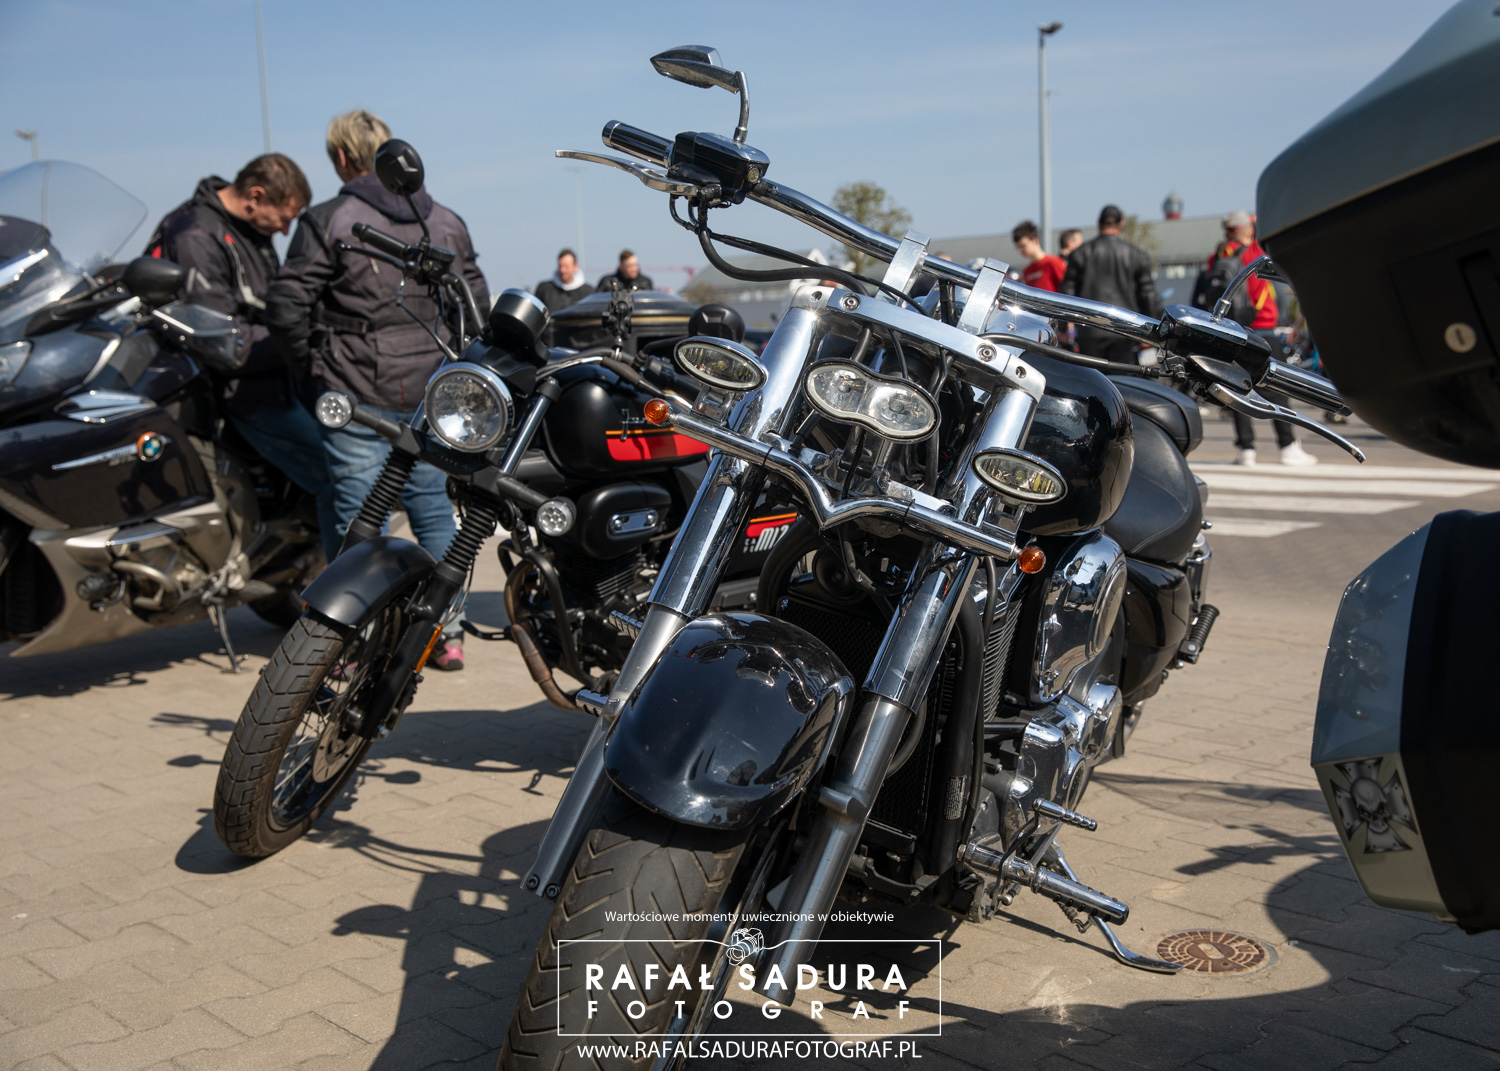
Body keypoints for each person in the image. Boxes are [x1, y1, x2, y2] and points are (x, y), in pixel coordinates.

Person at [266, 109, 490, 670]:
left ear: (342, 157)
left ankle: (352, 639)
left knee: (357, 516)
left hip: (355, 388)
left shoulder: (329, 218)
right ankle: (445, 634)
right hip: (431, 397)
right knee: (433, 510)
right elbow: (476, 306)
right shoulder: (444, 219)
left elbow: (287, 304)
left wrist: (312, 367)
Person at [145, 154, 341, 561]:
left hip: (272, 374)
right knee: (336, 476)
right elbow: (222, 343)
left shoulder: (246, 228)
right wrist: (299, 337)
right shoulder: (197, 235)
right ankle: (343, 586)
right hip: (240, 392)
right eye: (284, 218)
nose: (285, 230)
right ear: (255, 196)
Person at [1211, 210, 1316, 466]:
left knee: (1236, 389)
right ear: (1248, 229)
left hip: (1232, 330)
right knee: (1277, 388)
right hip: (1263, 329)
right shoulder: (1253, 251)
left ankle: (1246, 449)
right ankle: (1287, 445)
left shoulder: (1217, 257)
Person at [1060, 205, 1162, 364]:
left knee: (1093, 377)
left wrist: (1062, 327)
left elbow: (1067, 292)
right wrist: (1150, 334)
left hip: (1090, 330)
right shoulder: (1137, 255)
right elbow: (1148, 294)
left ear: (1098, 224)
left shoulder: (1080, 254)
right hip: (1124, 329)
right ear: (1121, 224)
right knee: (1121, 377)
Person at [1011, 220, 1067, 292]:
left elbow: (1067, 289)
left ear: (1034, 241)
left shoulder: (1054, 262)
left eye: (1022, 246)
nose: (1020, 250)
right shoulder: (1027, 271)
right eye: (1018, 247)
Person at [533, 248, 593, 312]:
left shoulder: (588, 293)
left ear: (575, 266)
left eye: (566, 266)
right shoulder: (544, 290)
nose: (562, 270)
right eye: (560, 266)